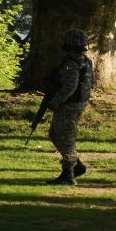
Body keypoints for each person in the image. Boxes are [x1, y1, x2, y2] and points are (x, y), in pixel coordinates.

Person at [43, 29, 95, 186]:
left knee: (66, 140)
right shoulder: (85, 60)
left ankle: (68, 175)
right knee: (55, 134)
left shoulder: (72, 62)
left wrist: (56, 102)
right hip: (77, 103)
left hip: (68, 105)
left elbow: (70, 86)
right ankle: (77, 166)